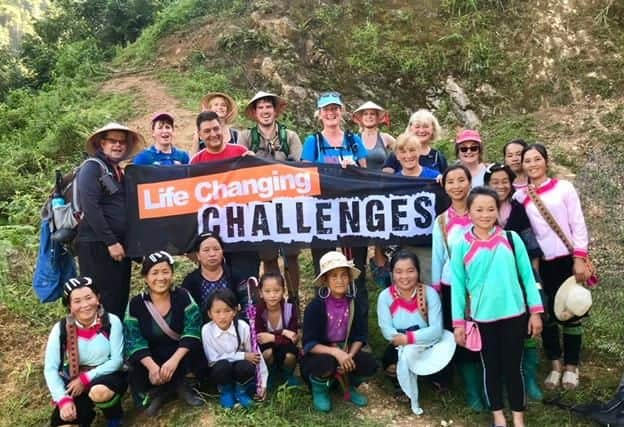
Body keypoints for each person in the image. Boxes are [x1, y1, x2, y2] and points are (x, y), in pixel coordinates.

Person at [451, 186, 544, 427]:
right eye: (479, 209)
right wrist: (458, 323)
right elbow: (458, 288)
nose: (485, 214)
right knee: (490, 368)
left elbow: (528, 277)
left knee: (514, 368)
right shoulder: (462, 245)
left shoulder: (512, 239)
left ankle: (519, 416)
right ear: (469, 212)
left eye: (490, 209)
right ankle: (498, 416)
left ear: (498, 211)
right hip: (483, 319)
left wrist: (535, 312)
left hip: (515, 315)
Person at [514, 143, 592, 391]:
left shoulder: (564, 189)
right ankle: (555, 364)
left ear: (546, 161)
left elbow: (577, 223)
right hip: (540, 263)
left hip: (567, 259)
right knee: (546, 314)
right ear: (522, 165)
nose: (533, 164)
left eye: (537, 159)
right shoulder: (520, 197)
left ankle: (572, 366)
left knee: (572, 313)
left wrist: (580, 257)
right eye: (528, 160)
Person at [301, 91, 370, 318]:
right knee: (324, 268)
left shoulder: (353, 140)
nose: (331, 113)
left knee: (355, 270)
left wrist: (353, 170)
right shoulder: (313, 141)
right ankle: (324, 326)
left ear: (341, 112)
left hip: (352, 214)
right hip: (322, 214)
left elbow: (365, 174)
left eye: (335, 109)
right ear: (319, 114)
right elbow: (304, 176)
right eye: (326, 109)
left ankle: (358, 328)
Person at [484, 163, 544, 400]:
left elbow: (531, 247)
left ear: (512, 183)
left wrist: (536, 282)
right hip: (490, 282)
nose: (500, 185)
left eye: (504, 181)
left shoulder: (518, 209)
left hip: (520, 276)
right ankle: (494, 384)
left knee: (527, 327)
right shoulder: (481, 208)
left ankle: (527, 376)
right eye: (494, 181)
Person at [238, 91, 303, 304]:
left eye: (268, 107)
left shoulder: (290, 136)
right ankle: (274, 302)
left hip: (287, 204)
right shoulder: (246, 137)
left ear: (275, 111)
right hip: (259, 207)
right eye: (260, 108)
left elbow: (299, 167)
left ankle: (293, 301)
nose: (265, 111)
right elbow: (240, 169)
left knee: (291, 255)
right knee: (269, 257)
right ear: (255, 113)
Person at [76, 122, 144, 319]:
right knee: (96, 299)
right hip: (96, 246)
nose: (118, 145)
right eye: (112, 141)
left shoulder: (119, 171)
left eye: (122, 142)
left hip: (120, 249)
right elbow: (91, 208)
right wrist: (110, 241)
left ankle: (116, 345)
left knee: (118, 299)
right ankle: (97, 345)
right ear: (102, 144)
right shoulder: (92, 168)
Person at [124, 251, 204, 416]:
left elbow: (193, 328)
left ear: (172, 274)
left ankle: (181, 385)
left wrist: (173, 361)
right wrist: (152, 367)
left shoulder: (183, 296)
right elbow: (134, 339)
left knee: (196, 348)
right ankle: (161, 390)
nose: (161, 277)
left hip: (179, 354)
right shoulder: (136, 304)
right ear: (145, 277)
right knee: (134, 363)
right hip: (151, 357)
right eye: (154, 273)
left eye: (165, 271)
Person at [377, 250, 453, 415]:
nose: (405, 276)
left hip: (426, 342)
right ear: (392, 274)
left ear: (418, 272)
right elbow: (386, 329)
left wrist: (410, 338)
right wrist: (401, 340)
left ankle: (434, 378)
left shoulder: (429, 294)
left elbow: (436, 330)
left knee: (444, 358)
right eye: (399, 271)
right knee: (391, 361)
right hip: (400, 344)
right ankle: (400, 383)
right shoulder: (385, 297)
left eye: (410, 270)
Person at [300, 251, 378, 412]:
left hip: (346, 350)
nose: (339, 280)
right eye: (334, 276)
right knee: (325, 364)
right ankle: (320, 389)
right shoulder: (315, 307)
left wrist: (349, 355)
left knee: (370, 364)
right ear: (325, 280)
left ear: (349, 277)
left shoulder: (354, 304)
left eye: (343, 275)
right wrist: (337, 353)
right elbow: (309, 343)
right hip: (322, 353)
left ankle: (348, 385)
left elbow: (360, 335)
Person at [189, 111, 259, 287]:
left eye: (215, 128)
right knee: (218, 285)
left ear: (222, 128)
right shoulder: (196, 162)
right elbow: (191, 202)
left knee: (247, 283)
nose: (213, 134)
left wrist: (255, 164)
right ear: (200, 134)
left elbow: (259, 186)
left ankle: (248, 314)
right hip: (212, 235)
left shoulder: (241, 153)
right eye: (207, 131)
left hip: (242, 232)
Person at [44, 277, 126, 427]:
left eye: (89, 298)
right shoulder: (60, 329)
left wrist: (85, 379)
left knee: (99, 391)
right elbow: (51, 369)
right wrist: (63, 400)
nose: (85, 305)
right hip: (75, 381)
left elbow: (116, 361)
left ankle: (114, 418)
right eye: (77, 301)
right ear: (69, 305)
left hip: (108, 375)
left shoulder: (111, 321)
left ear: (98, 298)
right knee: (65, 421)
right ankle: (85, 415)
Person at [430, 164, 475, 397]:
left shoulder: (482, 213)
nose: (456, 186)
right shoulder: (441, 221)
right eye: (451, 182)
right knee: (451, 329)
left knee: (477, 327)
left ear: (470, 182)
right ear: (444, 186)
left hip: (478, 284)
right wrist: (436, 288)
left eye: (461, 180)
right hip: (450, 284)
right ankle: (447, 377)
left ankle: (476, 376)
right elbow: (437, 257)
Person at [201, 288, 268, 409]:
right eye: (217, 312)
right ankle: (226, 391)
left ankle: (241, 391)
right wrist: (242, 355)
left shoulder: (243, 327)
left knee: (246, 365)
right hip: (221, 370)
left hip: (239, 370)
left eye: (227, 311)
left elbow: (256, 355)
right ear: (209, 314)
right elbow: (212, 359)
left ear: (235, 311)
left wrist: (262, 384)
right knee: (222, 366)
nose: (222, 316)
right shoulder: (207, 330)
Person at [255, 272, 300, 387]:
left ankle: (287, 374)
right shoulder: (258, 311)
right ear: (261, 293)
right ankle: (271, 373)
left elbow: (294, 338)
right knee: (267, 353)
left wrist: (272, 337)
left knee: (290, 355)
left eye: (277, 290)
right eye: (267, 291)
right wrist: (282, 332)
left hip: (285, 347)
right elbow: (259, 338)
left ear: (283, 291)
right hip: (267, 347)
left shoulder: (290, 309)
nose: (272, 295)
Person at [181, 232, 238, 321]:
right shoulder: (190, 282)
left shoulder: (235, 276)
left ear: (222, 252)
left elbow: (246, 303)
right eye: (206, 250)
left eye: (216, 249)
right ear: (198, 255)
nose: (212, 254)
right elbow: (186, 311)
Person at [382, 109, 448, 174]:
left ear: (433, 129)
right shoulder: (398, 153)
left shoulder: (438, 157)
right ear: (410, 129)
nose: (421, 131)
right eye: (417, 127)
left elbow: (447, 181)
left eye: (426, 127)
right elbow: (386, 180)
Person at [352, 101, 395, 170]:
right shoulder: (353, 139)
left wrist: (392, 167)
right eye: (365, 114)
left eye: (372, 114)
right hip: (359, 180)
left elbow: (403, 153)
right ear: (361, 119)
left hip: (381, 180)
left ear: (378, 118)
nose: (369, 116)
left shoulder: (386, 137)